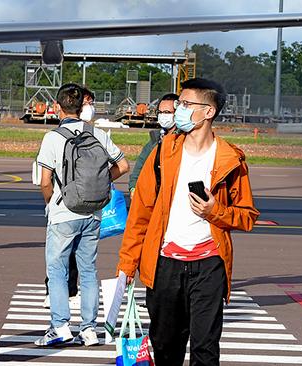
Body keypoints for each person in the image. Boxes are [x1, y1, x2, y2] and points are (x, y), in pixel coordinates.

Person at [116, 78, 259, 366]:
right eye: (179, 103)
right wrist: (127, 263)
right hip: (164, 263)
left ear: (209, 112)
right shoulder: (162, 152)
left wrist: (214, 211)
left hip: (209, 266)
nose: (177, 110)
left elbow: (247, 216)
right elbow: (141, 212)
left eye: (185, 104)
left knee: (205, 350)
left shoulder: (231, 159)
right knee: (166, 347)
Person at [35, 83, 129, 347]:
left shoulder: (52, 137)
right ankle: (88, 329)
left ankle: (59, 326)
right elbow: (123, 165)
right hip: (94, 211)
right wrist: (102, 181)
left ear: (57, 107)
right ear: (83, 107)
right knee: (88, 270)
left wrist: (50, 201)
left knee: (57, 270)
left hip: (64, 211)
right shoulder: (97, 133)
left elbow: (44, 180)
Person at [128, 93, 179, 194]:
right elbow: (140, 164)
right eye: (160, 112)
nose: (163, 115)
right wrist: (133, 187)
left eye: (167, 112)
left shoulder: (184, 139)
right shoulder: (156, 139)